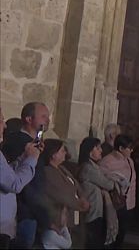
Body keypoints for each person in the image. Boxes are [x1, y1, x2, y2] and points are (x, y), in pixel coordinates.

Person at [1, 102, 50, 248]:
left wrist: (24, 157)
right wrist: (31, 159)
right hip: (25, 211)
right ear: (29, 119)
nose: (4, 126)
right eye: (1, 121)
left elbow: (7, 172)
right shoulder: (17, 140)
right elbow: (15, 183)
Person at [41, 139, 90, 245]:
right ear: (53, 154)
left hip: (74, 215)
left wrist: (83, 198)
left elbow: (76, 185)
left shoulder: (62, 168)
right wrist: (79, 204)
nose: (65, 153)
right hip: (60, 218)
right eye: (62, 150)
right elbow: (61, 194)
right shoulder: (48, 172)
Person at [77, 137, 116, 248]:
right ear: (90, 152)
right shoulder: (89, 169)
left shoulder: (93, 167)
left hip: (96, 212)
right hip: (92, 214)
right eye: (98, 148)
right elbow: (109, 184)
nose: (101, 151)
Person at [99, 135, 136, 248]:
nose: (132, 150)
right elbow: (102, 180)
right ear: (121, 148)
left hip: (128, 202)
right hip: (115, 202)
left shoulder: (129, 160)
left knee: (122, 232)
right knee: (112, 232)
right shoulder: (107, 161)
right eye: (129, 148)